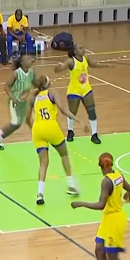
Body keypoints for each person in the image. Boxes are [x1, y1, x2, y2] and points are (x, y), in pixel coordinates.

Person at [25, 75, 80, 204]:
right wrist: (79, 121)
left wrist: (34, 129)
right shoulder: (52, 92)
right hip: (50, 126)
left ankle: (39, 193)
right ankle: (71, 185)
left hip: (37, 129)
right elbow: (63, 110)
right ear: (48, 83)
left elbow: (27, 118)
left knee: (43, 163)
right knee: (64, 154)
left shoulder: (33, 97)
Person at [54, 43, 111, 144]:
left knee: (92, 111)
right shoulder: (71, 61)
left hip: (86, 89)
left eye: (83, 47)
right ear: (75, 51)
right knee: (72, 112)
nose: (83, 49)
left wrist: (106, 65)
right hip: (74, 91)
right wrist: (58, 67)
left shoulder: (85, 58)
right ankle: (70, 131)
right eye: (80, 48)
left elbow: (93, 65)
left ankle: (94, 134)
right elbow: (60, 68)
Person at [0, 54, 35, 149]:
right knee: (15, 123)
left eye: (31, 58)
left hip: (24, 103)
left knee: (22, 123)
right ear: (22, 63)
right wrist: (13, 97)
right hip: (14, 102)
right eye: (28, 58)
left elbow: (35, 84)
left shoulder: (31, 72)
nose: (30, 59)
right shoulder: (16, 73)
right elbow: (6, 87)